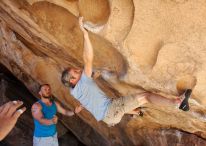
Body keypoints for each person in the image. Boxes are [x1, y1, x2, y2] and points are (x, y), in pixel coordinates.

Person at [61, 17, 192, 126]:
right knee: (146, 96)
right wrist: (85, 34)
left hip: (109, 117)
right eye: (75, 72)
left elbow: (89, 92)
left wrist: (94, 77)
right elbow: (87, 59)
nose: (79, 70)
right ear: (73, 80)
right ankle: (177, 103)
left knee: (132, 101)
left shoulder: (75, 92)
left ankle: (140, 111)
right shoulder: (82, 81)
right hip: (111, 110)